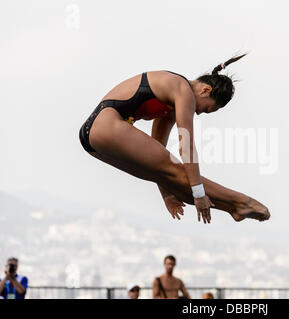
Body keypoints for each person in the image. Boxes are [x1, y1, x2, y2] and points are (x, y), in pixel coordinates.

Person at [79, 54, 270, 225]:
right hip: (105, 125)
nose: (199, 113)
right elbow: (186, 146)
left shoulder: (170, 104)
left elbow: (157, 152)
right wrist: (199, 193)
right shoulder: (182, 90)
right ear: (205, 90)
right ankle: (241, 201)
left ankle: (233, 208)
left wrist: (166, 194)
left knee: (176, 184)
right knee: (182, 175)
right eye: (206, 109)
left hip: (93, 139)